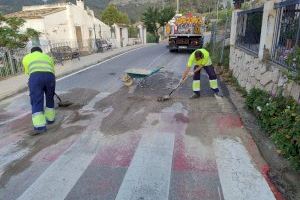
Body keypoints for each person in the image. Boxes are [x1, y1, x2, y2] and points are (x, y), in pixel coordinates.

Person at [22, 47, 56, 135]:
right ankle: (50, 119)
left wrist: (33, 82)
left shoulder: (27, 57)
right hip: (50, 77)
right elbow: (52, 70)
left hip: (36, 78)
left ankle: (40, 126)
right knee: (50, 98)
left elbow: (28, 72)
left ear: (31, 52)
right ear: (41, 52)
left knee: (37, 100)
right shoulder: (48, 57)